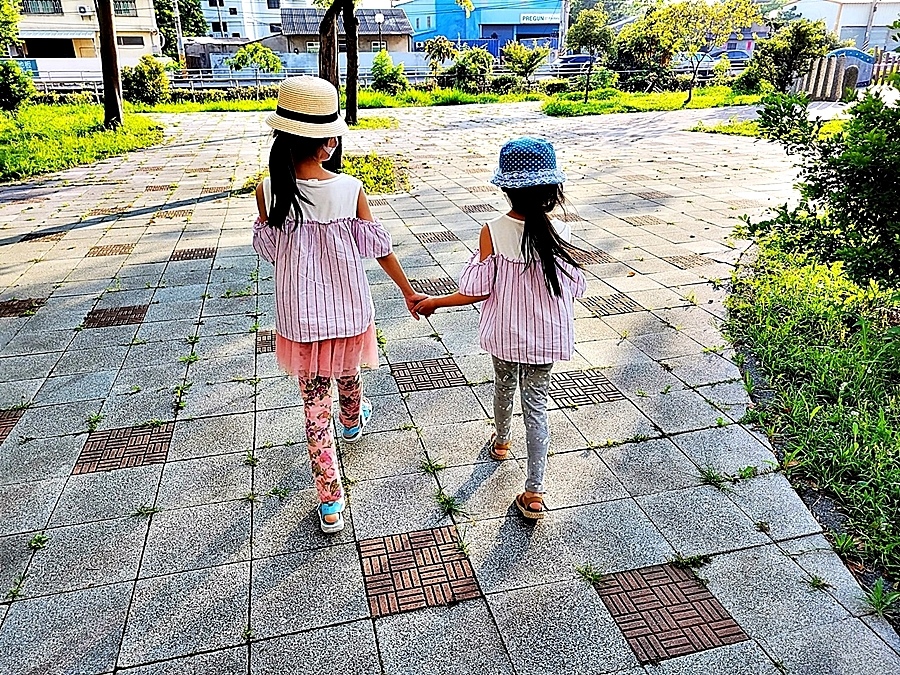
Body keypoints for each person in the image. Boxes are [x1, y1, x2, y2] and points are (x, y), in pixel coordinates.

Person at [253, 76, 424, 534]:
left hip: (300, 317)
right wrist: (408, 291)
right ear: (327, 143)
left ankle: (330, 501)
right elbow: (379, 249)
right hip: (348, 310)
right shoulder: (350, 190)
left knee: (313, 409)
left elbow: (271, 251)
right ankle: (352, 423)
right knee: (348, 369)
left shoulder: (268, 191)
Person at [414, 137, 586, 520]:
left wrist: (434, 302)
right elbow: (574, 288)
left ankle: (502, 443)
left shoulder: (492, 230)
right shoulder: (561, 233)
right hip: (545, 339)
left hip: (505, 336)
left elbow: (476, 290)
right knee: (537, 407)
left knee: (504, 386)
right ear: (552, 190)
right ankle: (535, 491)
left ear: (506, 189)